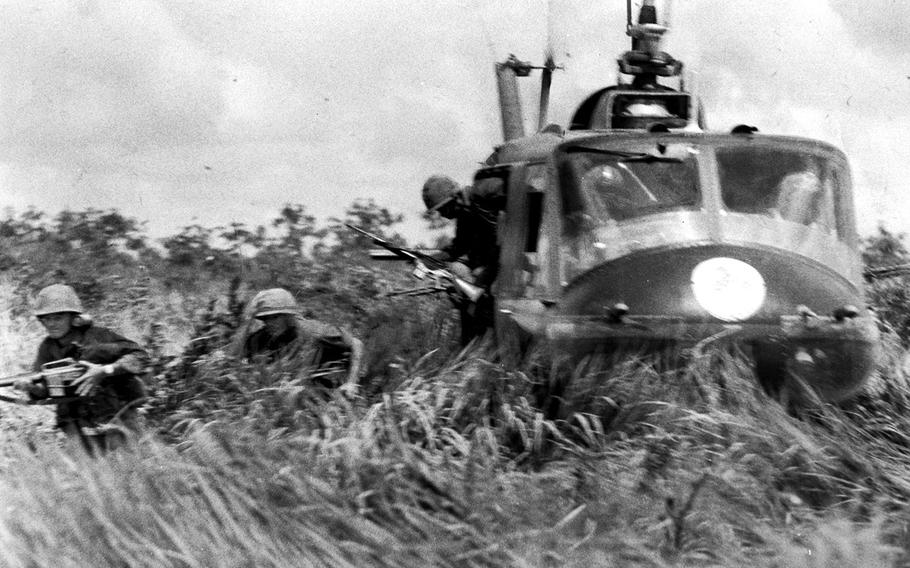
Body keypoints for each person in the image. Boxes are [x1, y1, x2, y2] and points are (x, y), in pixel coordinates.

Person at [14, 284, 148, 452]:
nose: (51, 324)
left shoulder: (98, 337)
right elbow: (46, 388)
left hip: (117, 417)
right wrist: (30, 386)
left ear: (73, 318)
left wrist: (104, 371)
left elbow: (140, 357)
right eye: (46, 318)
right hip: (77, 424)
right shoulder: (48, 347)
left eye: (58, 318)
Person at [422, 174, 505, 344]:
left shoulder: (482, 199)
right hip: (491, 263)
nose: (444, 215)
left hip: (507, 262)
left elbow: (502, 243)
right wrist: (430, 259)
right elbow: (459, 247)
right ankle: (471, 346)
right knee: (462, 291)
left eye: (444, 209)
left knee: (477, 296)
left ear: (455, 198)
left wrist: (482, 283)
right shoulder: (465, 212)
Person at [238, 288, 363, 396]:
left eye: (275, 317)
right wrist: (247, 322)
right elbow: (234, 357)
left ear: (289, 316)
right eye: (265, 319)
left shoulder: (314, 332)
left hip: (327, 387)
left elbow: (356, 344)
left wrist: (351, 383)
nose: (270, 323)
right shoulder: (262, 337)